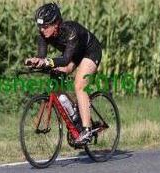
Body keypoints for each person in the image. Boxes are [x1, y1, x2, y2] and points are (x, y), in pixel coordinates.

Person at [25, 2, 102, 145]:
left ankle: (86, 130)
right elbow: (43, 57)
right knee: (56, 82)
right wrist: (36, 61)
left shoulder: (70, 31)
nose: (42, 30)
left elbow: (66, 59)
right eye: (40, 27)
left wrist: (48, 62)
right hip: (73, 54)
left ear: (56, 23)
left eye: (46, 26)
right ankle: (74, 115)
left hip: (90, 51)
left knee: (79, 84)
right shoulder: (42, 35)